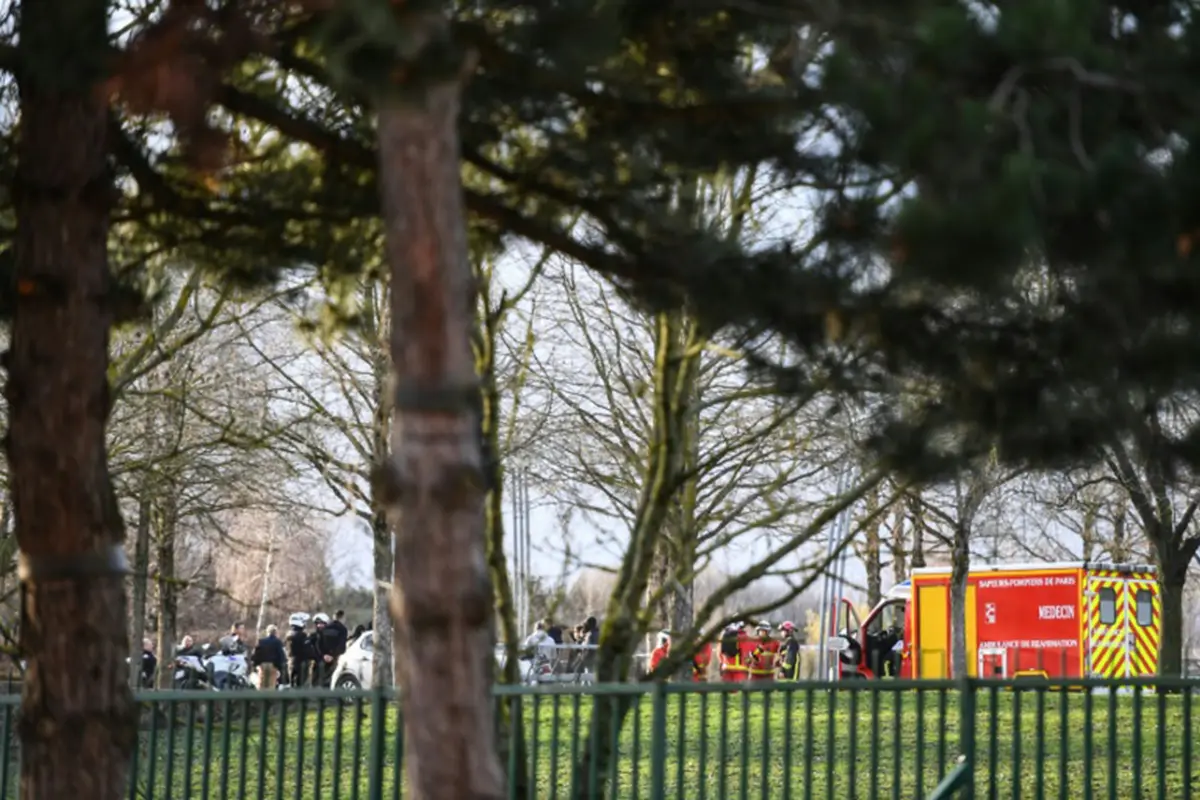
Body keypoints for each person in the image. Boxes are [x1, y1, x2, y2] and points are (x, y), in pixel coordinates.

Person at [311, 612, 345, 687]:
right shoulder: (313, 636)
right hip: (319, 662)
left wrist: (331, 656)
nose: (319, 626)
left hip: (331, 661)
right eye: (317, 624)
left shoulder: (332, 633)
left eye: (321, 623)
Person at [252, 624, 287, 690]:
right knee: (271, 685)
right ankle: (269, 698)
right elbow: (281, 654)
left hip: (262, 665)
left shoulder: (261, 641)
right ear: (275, 632)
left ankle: (261, 698)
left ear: (267, 632)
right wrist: (282, 665)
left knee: (262, 684)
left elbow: (256, 654)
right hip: (273, 665)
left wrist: (255, 664)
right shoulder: (277, 642)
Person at [285, 612, 312, 688]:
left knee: (292, 682)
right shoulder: (302, 635)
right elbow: (308, 650)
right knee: (301, 684)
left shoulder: (289, 634)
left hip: (291, 662)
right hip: (302, 663)